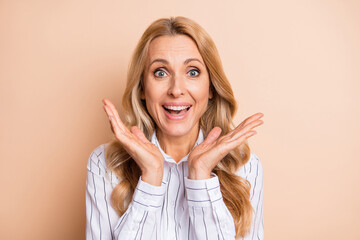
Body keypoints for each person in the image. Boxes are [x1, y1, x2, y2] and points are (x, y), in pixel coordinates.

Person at [86, 16, 264, 240]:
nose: (176, 89)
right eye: (160, 72)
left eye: (192, 72)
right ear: (142, 88)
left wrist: (201, 177)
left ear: (211, 87)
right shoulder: (105, 164)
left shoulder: (245, 168)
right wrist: (150, 177)